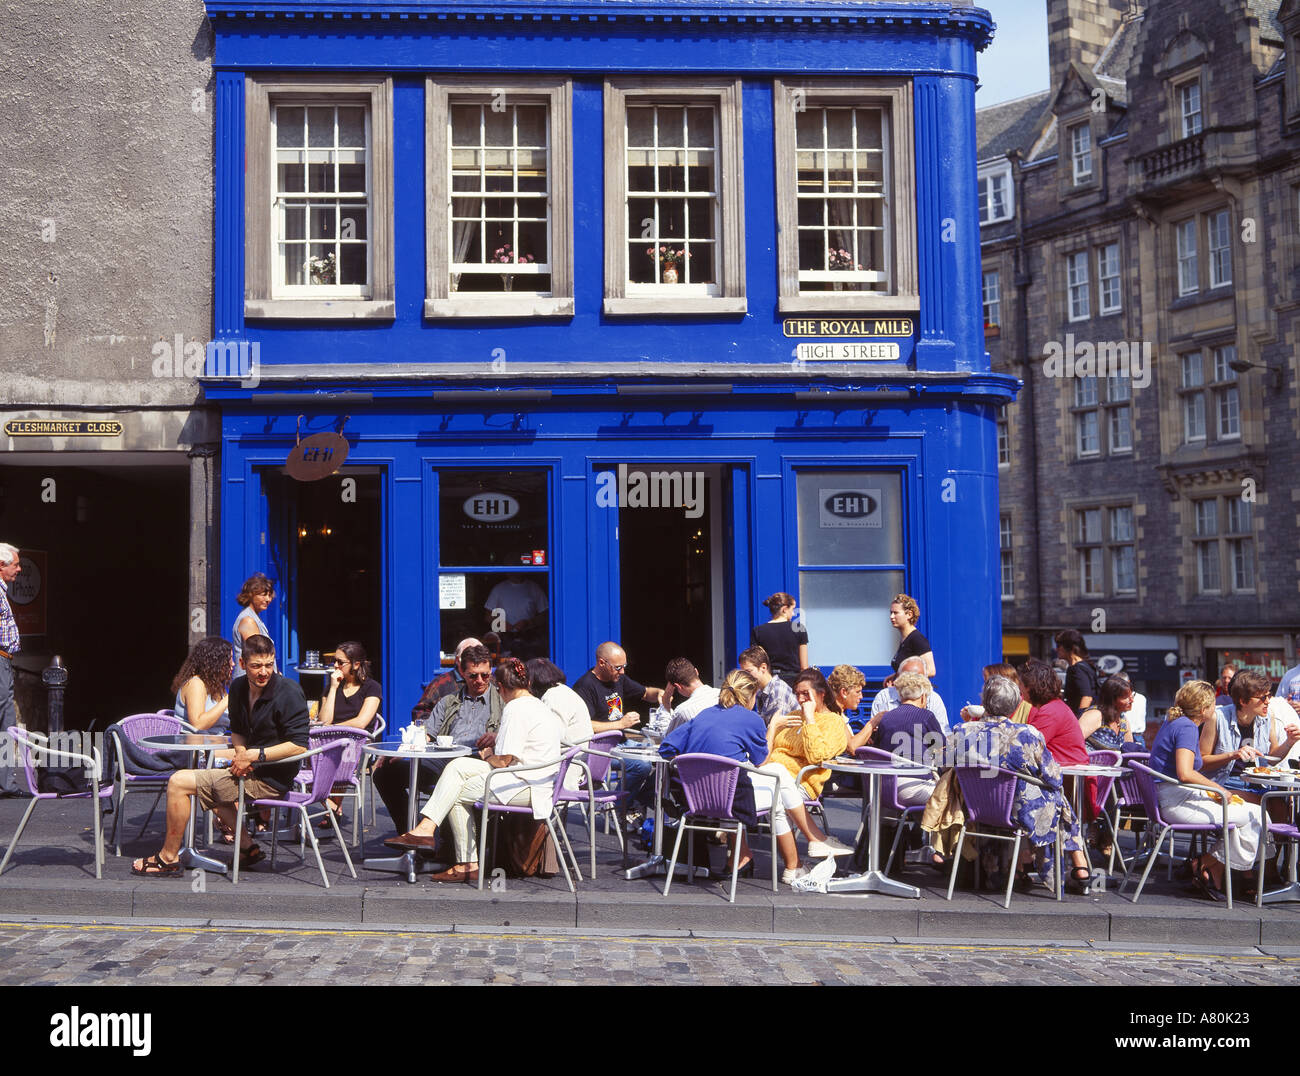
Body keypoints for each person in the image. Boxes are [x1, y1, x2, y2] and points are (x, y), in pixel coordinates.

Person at [131, 635, 309, 876]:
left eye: (269, 664)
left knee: (178, 782)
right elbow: (237, 730)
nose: (264, 672)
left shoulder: (288, 691)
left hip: (272, 778)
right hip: (249, 769)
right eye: (256, 666)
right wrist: (241, 754)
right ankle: (247, 847)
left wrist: (255, 756)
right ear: (243, 663)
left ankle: (168, 858)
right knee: (210, 785)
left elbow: (300, 746)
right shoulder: (237, 688)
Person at [659, 669, 848, 885]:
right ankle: (798, 860)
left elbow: (666, 748)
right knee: (777, 781)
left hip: (697, 799)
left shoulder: (704, 715)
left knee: (774, 775)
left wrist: (696, 765)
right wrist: (772, 729)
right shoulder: (751, 719)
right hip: (732, 801)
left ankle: (756, 857)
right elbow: (761, 761)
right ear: (750, 697)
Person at [384, 659, 563, 884]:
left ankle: (467, 863)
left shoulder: (516, 709)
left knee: (457, 794)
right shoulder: (537, 704)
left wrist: (487, 755)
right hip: (533, 779)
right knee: (457, 766)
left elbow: (503, 761)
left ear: (501, 687)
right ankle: (425, 828)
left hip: (525, 785)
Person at [942, 675, 1090, 893]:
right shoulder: (1026, 734)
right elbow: (1053, 776)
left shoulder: (962, 731)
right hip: (1018, 812)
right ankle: (1077, 866)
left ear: (984, 704)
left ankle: (1010, 870)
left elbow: (942, 761)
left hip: (977, 807)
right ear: (1013, 706)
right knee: (1059, 800)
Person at [1148, 680, 1271, 901]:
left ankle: (1211, 867)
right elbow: (1185, 772)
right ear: (1204, 709)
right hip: (1178, 801)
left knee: (1254, 813)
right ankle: (1205, 862)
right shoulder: (1187, 727)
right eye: (1213, 703)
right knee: (1259, 815)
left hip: (1173, 796)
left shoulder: (1174, 721)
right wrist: (1219, 789)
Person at [373, 643, 502, 838]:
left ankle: (425, 834)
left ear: (490, 671)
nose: (479, 680)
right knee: (385, 773)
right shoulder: (449, 701)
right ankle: (411, 834)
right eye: (473, 675)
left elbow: (515, 734)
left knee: (456, 774)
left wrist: (496, 737)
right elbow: (427, 734)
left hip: (477, 763)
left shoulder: (502, 701)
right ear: (462, 672)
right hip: (442, 760)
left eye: (485, 675)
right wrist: (402, 751)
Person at [1200, 669, 1300, 798]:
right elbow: (1201, 762)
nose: (1268, 701)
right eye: (1263, 698)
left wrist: (1289, 742)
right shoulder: (1217, 718)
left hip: (1260, 784)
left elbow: (1272, 759)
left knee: (1281, 805)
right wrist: (1232, 755)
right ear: (1243, 701)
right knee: (1268, 804)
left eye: (1269, 696)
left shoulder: (1268, 717)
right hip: (1226, 784)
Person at [847, 671, 942, 804]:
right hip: (913, 787)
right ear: (923, 697)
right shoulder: (926, 716)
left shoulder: (885, 718)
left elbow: (878, 751)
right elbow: (943, 752)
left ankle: (916, 825)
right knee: (953, 794)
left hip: (885, 788)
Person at [1022, 657, 1092, 826]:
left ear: (1032, 687)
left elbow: (1026, 748)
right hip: (1064, 781)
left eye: (1021, 685)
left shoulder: (1050, 712)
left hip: (1066, 786)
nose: (1019, 689)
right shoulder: (1053, 707)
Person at [765, 668, 850, 803]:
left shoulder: (834, 722)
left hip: (801, 781)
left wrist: (810, 719)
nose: (800, 699)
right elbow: (765, 751)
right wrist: (773, 727)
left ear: (822, 694)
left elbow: (817, 757)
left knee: (773, 800)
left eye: (805, 693)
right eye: (797, 694)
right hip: (772, 774)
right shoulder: (792, 716)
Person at [410, 638, 482, 725]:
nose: (473, 664)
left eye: (478, 659)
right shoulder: (440, 683)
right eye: (468, 658)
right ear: (457, 660)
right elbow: (420, 713)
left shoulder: (489, 681)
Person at [873, 655, 951, 733]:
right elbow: (875, 731)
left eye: (918, 680)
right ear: (898, 679)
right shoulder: (884, 696)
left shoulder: (933, 698)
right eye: (906, 679)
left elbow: (944, 733)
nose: (911, 684)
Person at [170, 637, 234, 732]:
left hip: (217, 742)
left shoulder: (217, 687)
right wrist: (227, 700)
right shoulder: (195, 684)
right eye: (229, 659)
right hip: (193, 744)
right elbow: (198, 724)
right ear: (215, 662)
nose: (233, 664)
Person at [0, 544, 23, 797]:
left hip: (4, 660)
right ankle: (6, 783)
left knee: (6, 721)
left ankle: (6, 782)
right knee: (4, 721)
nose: (18, 569)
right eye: (15, 564)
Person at [526, 657, 592, 746]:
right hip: (579, 751)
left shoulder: (553, 697)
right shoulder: (562, 690)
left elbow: (553, 736)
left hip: (571, 755)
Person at [318, 641, 382, 731]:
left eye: (340, 662)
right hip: (330, 741)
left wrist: (332, 728)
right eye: (334, 661)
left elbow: (361, 723)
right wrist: (333, 689)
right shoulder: (331, 686)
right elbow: (324, 722)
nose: (336, 665)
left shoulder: (372, 687)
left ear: (356, 665)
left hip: (360, 741)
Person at [749, 593, 809, 688]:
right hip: (793, 683)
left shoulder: (758, 631)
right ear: (784, 609)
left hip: (769, 682)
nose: (793, 614)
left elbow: (757, 661)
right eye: (792, 609)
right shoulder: (798, 629)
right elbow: (804, 667)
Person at [483, 576, 548, 659]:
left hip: (528, 639)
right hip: (505, 639)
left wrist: (528, 623)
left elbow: (545, 615)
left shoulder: (534, 588)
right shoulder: (498, 589)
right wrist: (500, 623)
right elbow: (488, 616)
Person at [738, 645, 797, 727]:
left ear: (763, 667)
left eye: (748, 672)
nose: (745, 676)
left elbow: (777, 731)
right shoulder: (760, 692)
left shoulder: (777, 692)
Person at [885, 593, 934, 686]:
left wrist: (901, 679)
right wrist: (894, 676)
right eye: (891, 613)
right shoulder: (905, 639)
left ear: (909, 614)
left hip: (914, 695)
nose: (891, 617)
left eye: (896, 613)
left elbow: (931, 670)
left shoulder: (917, 639)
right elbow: (907, 668)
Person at [1078, 675, 1137, 752]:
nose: (1132, 700)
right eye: (1126, 697)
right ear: (1112, 699)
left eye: (1132, 696)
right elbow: (1072, 741)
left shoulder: (1123, 720)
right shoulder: (1095, 715)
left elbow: (1130, 752)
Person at [959, 663, 1031, 725]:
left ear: (1004, 682)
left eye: (987, 682)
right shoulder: (987, 707)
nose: (984, 686)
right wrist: (968, 720)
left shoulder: (1028, 709)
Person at [662, 657, 720, 733]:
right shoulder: (726, 695)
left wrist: (666, 702)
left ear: (678, 686)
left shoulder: (683, 711)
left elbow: (668, 740)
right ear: (696, 672)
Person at [231, 573, 275, 674]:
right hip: (250, 684)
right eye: (263, 595)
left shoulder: (254, 618)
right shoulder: (248, 621)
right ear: (250, 595)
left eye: (269, 595)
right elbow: (259, 655)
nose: (268, 599)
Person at [1054, 629, 1099, 715]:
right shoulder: (1086, 666)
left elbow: (1087, 697)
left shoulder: (1077, 669)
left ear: (1070, 648)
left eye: (1059, 645)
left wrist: (1079, 721)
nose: (1056, 649)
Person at [828, 664, 866, 731]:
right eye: (857, 692)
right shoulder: (833, 718)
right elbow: (851, 742)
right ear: (844, 692)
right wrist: (873, 723)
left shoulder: (837, 715)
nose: (861, 697)